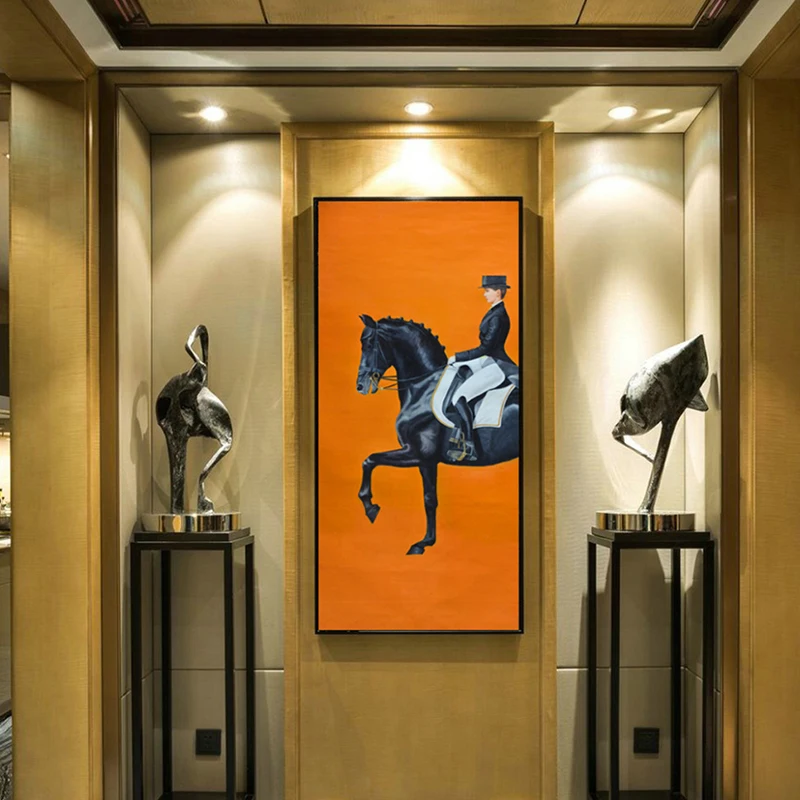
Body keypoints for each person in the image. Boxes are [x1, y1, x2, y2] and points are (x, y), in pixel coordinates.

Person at [446, 275, 517, 461]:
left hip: (497, 364)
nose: (485, 294)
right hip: (488, 359)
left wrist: (458, 356)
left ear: (498, 292)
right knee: (456, 371)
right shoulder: (494, 311)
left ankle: (469, 445)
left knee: (458, 397)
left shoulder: (498, 316)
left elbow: (486, 347)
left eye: (487, 291)